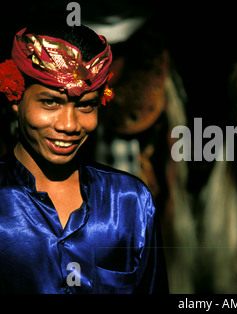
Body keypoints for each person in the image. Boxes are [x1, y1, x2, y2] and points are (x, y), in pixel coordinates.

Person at [0, 22, 168, 294]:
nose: (69, 125)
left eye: (85, 105)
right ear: (15, 95)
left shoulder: (130, 202)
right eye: (50, 102)